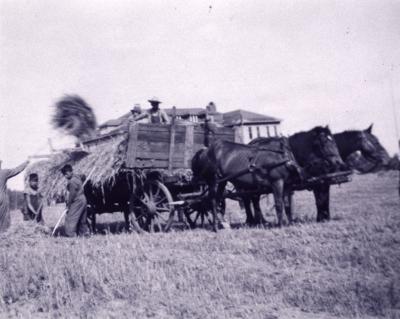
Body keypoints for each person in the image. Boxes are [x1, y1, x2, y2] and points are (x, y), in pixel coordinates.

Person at [0, 160, 30, 232]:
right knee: (4, 220)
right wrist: (26, 163)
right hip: (2, 198)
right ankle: (4, 235)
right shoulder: (3, 172)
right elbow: (17, 170)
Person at [61, 164, 90, 237]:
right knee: (82, 218)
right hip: (83, 199)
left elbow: (72, 195)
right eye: (64, 175)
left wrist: (69, 205)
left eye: (65, 174)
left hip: (78, 200)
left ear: (69, 172)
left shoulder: (72, 182)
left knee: (70, 217)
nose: (65, 176)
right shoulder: (77, 178)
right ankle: (84, 233)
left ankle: (70, 234)